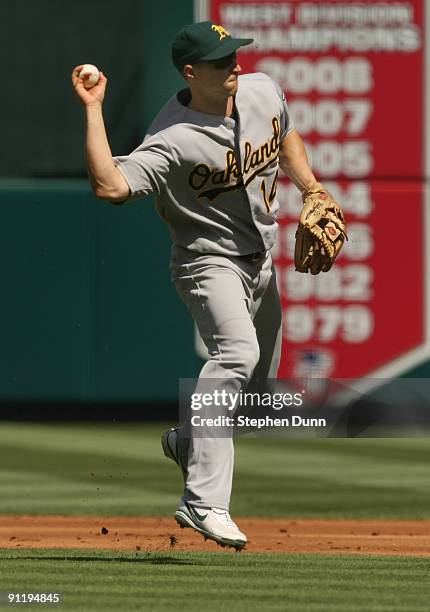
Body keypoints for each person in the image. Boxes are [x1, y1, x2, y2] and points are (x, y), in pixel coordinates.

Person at [72, 20, 320, 550]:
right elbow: (109, 186)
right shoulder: (172, 137)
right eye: (220, 61)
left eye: (233, 55)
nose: (234, 65)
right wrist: (94, 108)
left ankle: (189, 440)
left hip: (262, 263)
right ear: (191, 72)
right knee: (236, 353)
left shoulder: (261, 89)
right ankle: (204, 501)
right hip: (208, 263)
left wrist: (313, 189)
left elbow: (286, 130)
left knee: (254, 404)